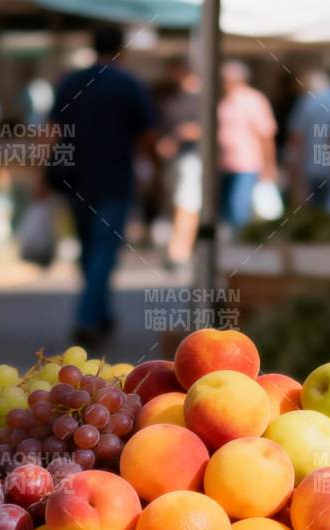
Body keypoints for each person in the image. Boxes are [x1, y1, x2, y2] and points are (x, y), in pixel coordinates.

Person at [49, 25, 156, 348]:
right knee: (103, 252)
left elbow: (51, 131)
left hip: (75, 178)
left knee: (89, 251)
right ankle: (87, 318)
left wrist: (44, 172)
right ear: (122, 50)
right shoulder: (129, 85)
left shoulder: (71, 81)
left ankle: (100, 315)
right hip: (115, 179)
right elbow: (146, 136)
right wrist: (157, 170)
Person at [216, 60, 277, 231]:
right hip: (223, 164)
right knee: (225, 209)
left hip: (247, 163)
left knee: (239, 208)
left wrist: (269, 164)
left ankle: (241, 245)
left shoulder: (254, 100)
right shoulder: (222, 99)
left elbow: (266, 135)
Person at [285, 68, 330, 212]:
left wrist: (294, 164)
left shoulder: (311, 99)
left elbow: (296, 135)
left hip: (311, 166)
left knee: (313, 215)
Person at [158, 57, 204, 267]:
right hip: (176, 158)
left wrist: (180, 136)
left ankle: (180, 248)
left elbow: (205, 127)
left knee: (187, 202)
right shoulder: (174, 97)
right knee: (177, 202)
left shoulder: (200, 98)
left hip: (192, 157)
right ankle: (178, 245)